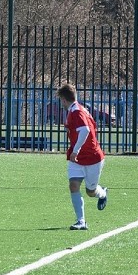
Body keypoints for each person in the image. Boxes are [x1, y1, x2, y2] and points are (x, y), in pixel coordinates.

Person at [57, 83, 108, 230]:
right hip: (78, 159)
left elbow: (85, 130)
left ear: (64, 100)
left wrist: (76, 150)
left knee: (91, 192)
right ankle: (81, 221)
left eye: (61, 100)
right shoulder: (77, 109)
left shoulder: (77, 112)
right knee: (73, 185)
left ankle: (102, 193)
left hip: (92, 157)